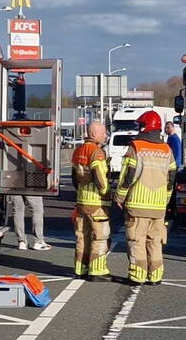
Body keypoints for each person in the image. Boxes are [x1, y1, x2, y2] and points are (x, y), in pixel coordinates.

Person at [115, 110, 176, 286]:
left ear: (144, 127)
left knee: (136, 241)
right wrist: (164, 200)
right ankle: (156, 276)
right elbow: (171, 178)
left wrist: (119, 198)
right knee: (155, 242)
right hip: (158, 207)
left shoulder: (136, 148)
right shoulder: (167, 150)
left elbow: (128, 176)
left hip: (137, 204)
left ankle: (137, 275)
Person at [71, 121, 112, 281]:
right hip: (96, 202)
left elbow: (74, 178)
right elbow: (101, 177)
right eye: (103, 133)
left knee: (82, 236)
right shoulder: (97, 152)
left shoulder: (78, 151)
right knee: (100, 236)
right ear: (95, 134)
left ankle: (80, 268)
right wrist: (107, 194)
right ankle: (97, 270)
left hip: (82, 201)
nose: (105, 135)